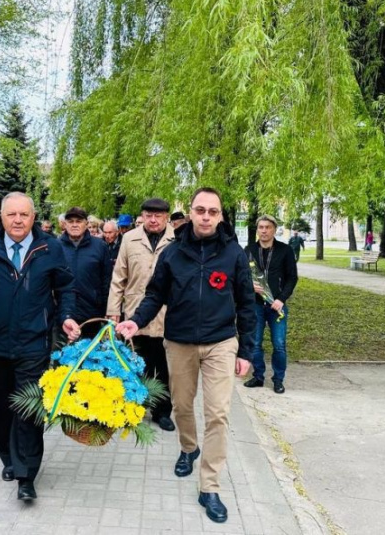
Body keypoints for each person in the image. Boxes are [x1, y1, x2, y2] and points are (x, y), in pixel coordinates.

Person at [116, 187, 256, 524]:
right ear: (190, 213)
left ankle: (209, 485)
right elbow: (154, 295)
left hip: (221, 342)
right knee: (181, 406)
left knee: (218, 414)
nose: (206, 216)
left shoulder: (234, 255)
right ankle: (189, 447)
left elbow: (247, 305)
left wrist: (247, 350)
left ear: (221, 216)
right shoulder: (173, 254)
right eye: (200, 210)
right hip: (178, 342)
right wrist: (135, 321)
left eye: (213, 211)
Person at [0, 192, 80, 502]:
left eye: (24, 214)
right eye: (12, 215)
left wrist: (66, 317)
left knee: (29, 407)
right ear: (2, 217)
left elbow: (65, 288)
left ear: (34, 218)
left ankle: (27, 474)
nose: (18, 220)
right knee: (3, 406)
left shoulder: (50, 247)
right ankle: (9, 458)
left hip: (34, 343)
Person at [107, 198, 176, 432]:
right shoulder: (129, 239)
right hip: (135, 314)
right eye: (148, 215)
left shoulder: (177, 240)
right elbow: (118, 279)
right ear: (143, 216)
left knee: (164, 367)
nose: (153, 219)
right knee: (135, 363)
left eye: (158, 215)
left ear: (167, 217)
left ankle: (162, 411)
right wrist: (113, 311)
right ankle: (134, 409)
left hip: (167, 315)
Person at [244, 215, 298, 394]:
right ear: (257, 229)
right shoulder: (249, 250)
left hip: (277, 306)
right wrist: (250, 286)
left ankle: (278, 379)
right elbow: (241, 276)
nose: (264, 231)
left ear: (274, 229)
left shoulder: (285, 250)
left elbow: (292, 278)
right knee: (255, 343)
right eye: (261, 227)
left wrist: (281, 299)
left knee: (279, 344)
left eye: (268, 227)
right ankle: (258, 376)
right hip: (255, 305)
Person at [59, 207, 112, 338]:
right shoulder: (56, 246)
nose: (75, 224)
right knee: (64, 355)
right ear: (65, 224)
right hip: (63, 313)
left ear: (86, 224)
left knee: (92, 354)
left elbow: (107, 279)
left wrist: (106, 308)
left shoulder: (100, 246)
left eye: (79, 221)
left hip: (92, 312)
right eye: (71, 221)